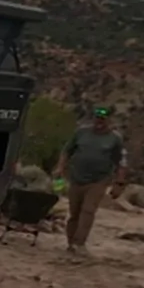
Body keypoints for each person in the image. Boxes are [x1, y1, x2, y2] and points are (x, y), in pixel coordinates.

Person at [53, 106, 128, 255]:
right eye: (97, 118)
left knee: (88, 211)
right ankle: (71, 243)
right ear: (93, 118)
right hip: (76, 178)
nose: (99, 121)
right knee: (74, 213)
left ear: (108, 120)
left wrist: (119, 183)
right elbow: (67, 151)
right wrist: (60, 168)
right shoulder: (81, 133)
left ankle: (80, 243)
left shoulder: (115, 139)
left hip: (98, 180)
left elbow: (121, 162)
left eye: (103, 119)